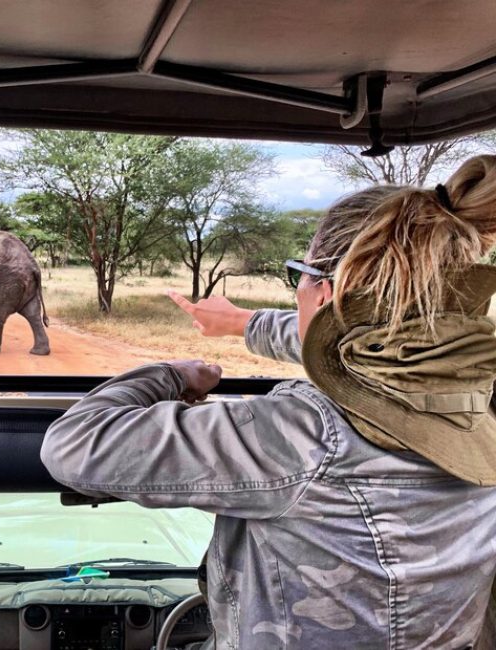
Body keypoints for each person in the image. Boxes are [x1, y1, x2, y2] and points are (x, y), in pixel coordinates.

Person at [41, 155, 496, 649]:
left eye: (297, 274)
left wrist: (169, 374)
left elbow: (74, 443)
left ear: (324, 293)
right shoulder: (476, 400)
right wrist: (240, 323)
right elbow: (363, 341)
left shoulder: (306, 436)